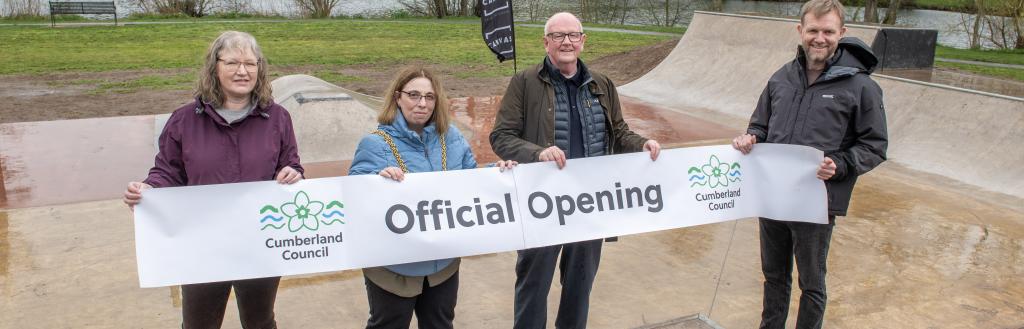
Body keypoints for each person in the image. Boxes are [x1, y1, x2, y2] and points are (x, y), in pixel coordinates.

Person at [490, 12, 661, 329]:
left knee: (579, 289)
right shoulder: (524, 83)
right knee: (533, 287)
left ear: (583, 40)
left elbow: (619, 131)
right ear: (546, 42)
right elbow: (501, 137)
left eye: (573, 35)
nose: (566, 41)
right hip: (542, 204)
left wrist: (642, 144)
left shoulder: (602, 84)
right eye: (558, 36)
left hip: (589, 204)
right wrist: (537, 152)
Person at [122, 31, 303, 329]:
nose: (242, 71)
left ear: (260, 69)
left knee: (260, 321)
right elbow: (168, 170)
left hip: (259, 240)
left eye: (250, 63)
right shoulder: (184, 120)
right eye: (232, 62)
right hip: (202, 241)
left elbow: (291, 164)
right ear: (214, 68)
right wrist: (149, 188)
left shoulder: (278, 118)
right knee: (199, 323)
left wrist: (293, 173)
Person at [731, 1, 888, 328]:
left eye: (828, 31)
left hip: (816, 202)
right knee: (774, 277)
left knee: (812, 285)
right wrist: (751, 139)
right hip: (772, 197)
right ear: (800, 31)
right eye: (813, 30)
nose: (820, 38)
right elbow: (760, 125)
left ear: (841, 34)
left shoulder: (861, 87)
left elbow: (874, 145)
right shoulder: (781, 78)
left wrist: (841, 164)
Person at [348, 65, 516, 329]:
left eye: (429, 97)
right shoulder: (375, 144)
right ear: (397, 97)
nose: (422, 103)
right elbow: (355, 194)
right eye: (413, 95)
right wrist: (376, 180)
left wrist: (495, 174)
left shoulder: (452, 137)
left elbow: (470, 179)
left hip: (442, 265)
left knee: (440, 324)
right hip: (394, 269)